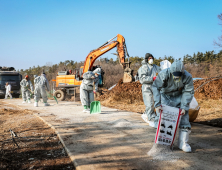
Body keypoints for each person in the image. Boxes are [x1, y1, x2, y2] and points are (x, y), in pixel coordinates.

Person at [152, 60, 194, 152]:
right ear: (171, 71)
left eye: (178, 74)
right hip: (165, 97)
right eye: (174, 74)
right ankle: (163, 143)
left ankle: (183, 143)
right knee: (165, 119)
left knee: (184, 118)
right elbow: (155, 87)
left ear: (182, 72)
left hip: (180, 97)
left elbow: (188, 92)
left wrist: (184, 106)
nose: (176, 76)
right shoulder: (164, 74)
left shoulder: (187, 77)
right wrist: (157, 104)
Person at [137, 53, 161, 127]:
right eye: (149, 58)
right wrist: (152, 78)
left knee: (156, 103)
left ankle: (151, 115)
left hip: (155, 87)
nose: (151, 60)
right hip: (147, 87)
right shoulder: (144, 67)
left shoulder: (156, 67)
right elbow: (142, 79)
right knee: (149, 104)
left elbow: (161, 73)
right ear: (146, 59)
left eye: (152, 58)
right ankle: (151, 119)